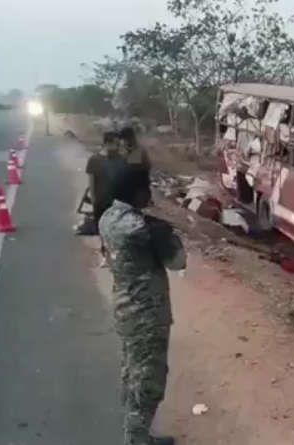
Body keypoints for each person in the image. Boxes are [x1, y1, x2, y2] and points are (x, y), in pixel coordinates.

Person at [99, 165, 186, 445]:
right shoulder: (141, 228)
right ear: (138, 192)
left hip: (124, 307)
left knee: (131, 370)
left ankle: (138, 435)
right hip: (147, 314)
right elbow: (178, 262)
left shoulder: (108, 218)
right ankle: (135, 440)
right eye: (147, 188)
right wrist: (167, 235)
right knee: (148, 379)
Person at [86, 131, 128, 262]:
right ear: (107, 144)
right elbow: (91, 180)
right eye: (116, 144)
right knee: (102, 228)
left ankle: (116, 253)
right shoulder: (94, 160)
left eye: (119, 144)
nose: (118, 147)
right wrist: (93, 198)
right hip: (101, 200)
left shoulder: (122, 160)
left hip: (118, 201)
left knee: (117, 228)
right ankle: (105, 253)